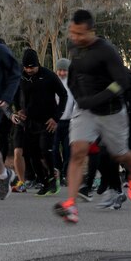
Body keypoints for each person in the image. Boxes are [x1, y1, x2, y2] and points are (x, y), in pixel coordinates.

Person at [54, 9, 131, 224]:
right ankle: (71, 205)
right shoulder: (74, 48)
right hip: (86, 111)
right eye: (72, 33)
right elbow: (74, 75)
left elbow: (121, 82)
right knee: (77, 151)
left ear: (92, 31)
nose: (75, 37)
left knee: (120, 155)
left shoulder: (107, 51)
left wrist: (95, 99)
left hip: (112, 112)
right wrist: (79, 97)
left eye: (80, 34)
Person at [13, 49, 67, 196]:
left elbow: (64, 95)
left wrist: (56, 118)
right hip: (30, 122)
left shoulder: (48, 76)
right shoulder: (21, 77)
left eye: (32, 67)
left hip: (48, 121)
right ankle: (44, 182)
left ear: (38, 64)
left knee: (45, 149)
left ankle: (52, 179)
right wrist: (19, 110)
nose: (29, 70)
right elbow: (16, 94)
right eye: (26, 67)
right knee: (31, 153)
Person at [0, 39, 21, 199]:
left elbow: (16, 73)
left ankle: (4, 175)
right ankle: (4, 175)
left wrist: (7, 97)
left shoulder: (1, 50)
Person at [53, 58, 75, 187]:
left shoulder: (72, 84)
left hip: (69, 121)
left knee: (68, 150)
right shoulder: (53, 82)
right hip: (55, 122)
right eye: (60, 70)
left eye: (64, 70)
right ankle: (58, 173)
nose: (62, 73)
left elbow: (76, 102)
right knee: (54, 149)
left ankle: (66, 175)